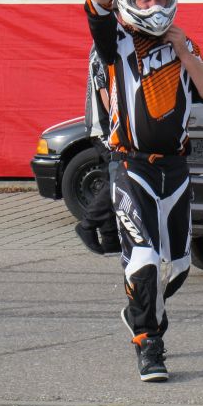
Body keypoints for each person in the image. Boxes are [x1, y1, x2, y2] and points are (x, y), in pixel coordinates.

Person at [86, 0, 203, 381]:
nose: (156, 4)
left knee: (179, 266)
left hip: (177, 169)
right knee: (143, 257)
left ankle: (141, 313)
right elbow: (96, 7)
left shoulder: (184, 43)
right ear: (130, 0)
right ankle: (148, 342)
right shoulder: (117, 42)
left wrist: (185, 53)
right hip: (130, 166)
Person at [74, 45, 120, 255]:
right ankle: (87, 224)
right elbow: (105, 92)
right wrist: (119, 123)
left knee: (110, 176)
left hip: (104, 125)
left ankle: (110, 239)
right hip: (106, 126)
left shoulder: (106, 45)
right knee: (120, 177)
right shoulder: (103, 48)